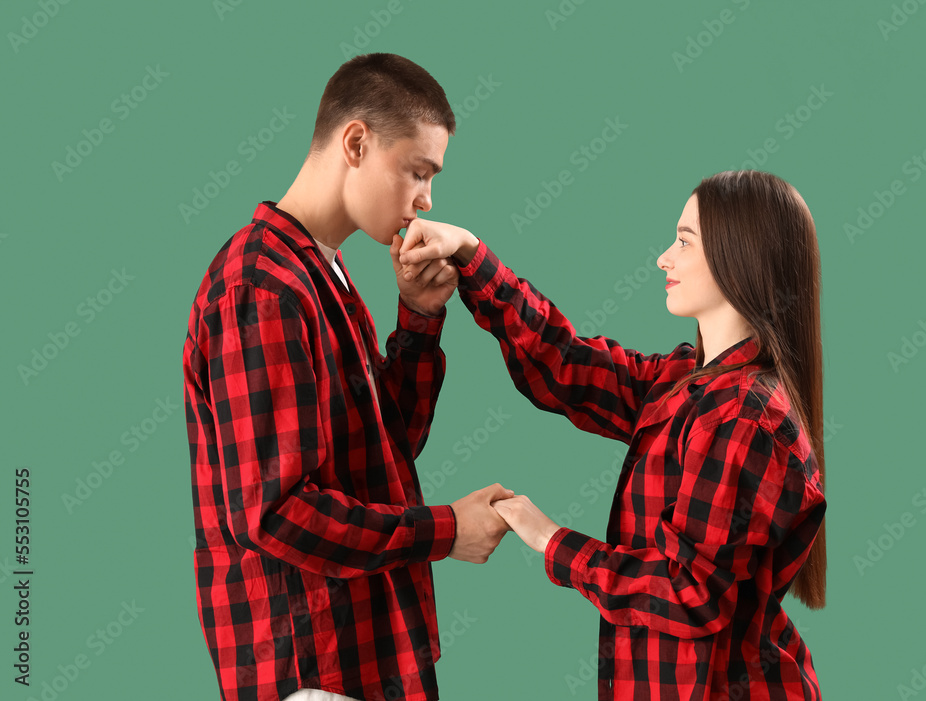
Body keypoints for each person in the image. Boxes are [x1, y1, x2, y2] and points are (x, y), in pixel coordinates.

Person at [396, 169, 828, 699]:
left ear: (738, 257)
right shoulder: (686, 384)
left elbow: (688, 594)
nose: (664, 258)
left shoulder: (744, 418)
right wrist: (469, 255)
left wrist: (550, 540)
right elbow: (566, 363)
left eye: (684, 242)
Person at [181, 53, 513, 701]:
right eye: (418, 171)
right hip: (315, 672)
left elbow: (384, 452)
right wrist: (444, 530)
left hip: (362, 656)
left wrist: (418, 318)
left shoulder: (319, 270)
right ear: (356, 142)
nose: (427, 199)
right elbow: (277, 512)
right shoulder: (263, 284)